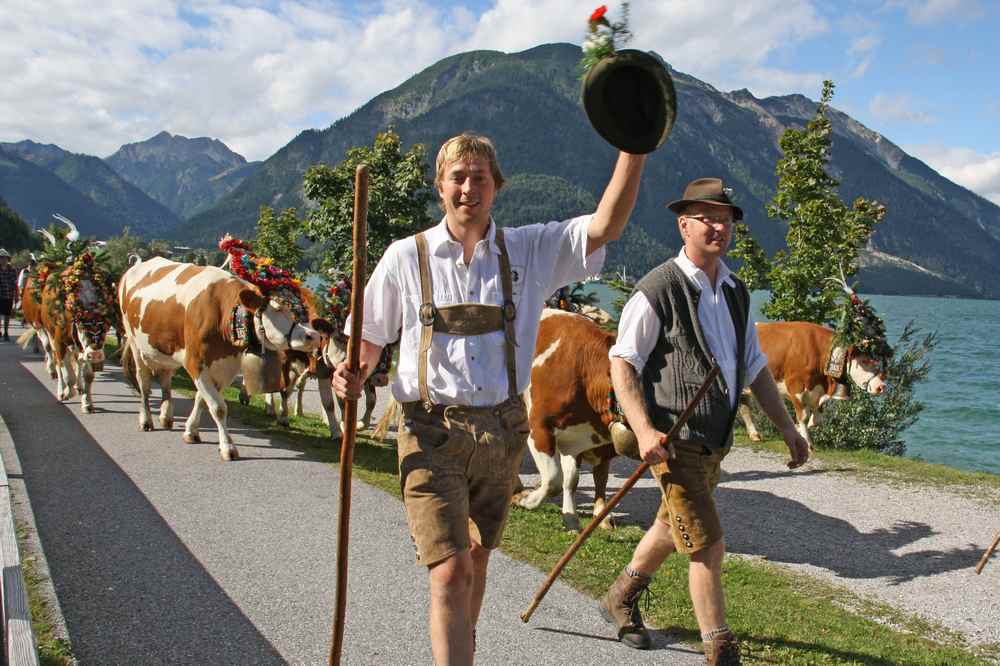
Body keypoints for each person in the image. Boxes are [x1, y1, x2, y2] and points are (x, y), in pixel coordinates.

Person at [333, 133, 646, 665]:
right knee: (451, 570)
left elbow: (604, 226)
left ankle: (461, 649)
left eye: (479, 177)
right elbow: (366, 340)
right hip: (430, 432)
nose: (468, 187)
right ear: (440, 188)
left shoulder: (528, 248)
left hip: (502, 431)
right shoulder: (405, 257)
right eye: (458, 177)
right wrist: (352, 372)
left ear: (496, 187)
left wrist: (633, 150)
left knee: (476, 560)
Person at [600, 178, 810, 665]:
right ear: (684, 224)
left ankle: (620, 597)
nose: (718, 226)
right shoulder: (658, 288)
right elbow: (622, 362)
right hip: (675, 441)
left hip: (715, 440)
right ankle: (720, 647)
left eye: (726, 218)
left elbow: (754, 366)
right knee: (708, 546)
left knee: (671, 528)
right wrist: (646, 429)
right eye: (707, 217)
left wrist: (786, 428)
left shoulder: (736, 290)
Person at [0, 249, 20, 341]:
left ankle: (6, 332)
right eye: (1, 258)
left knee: (7, 315)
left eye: (4, 258)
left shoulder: (12, 270)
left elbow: (15, 284)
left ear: (8, 259)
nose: (3, 260)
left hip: (9, 295)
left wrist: (16, 296)